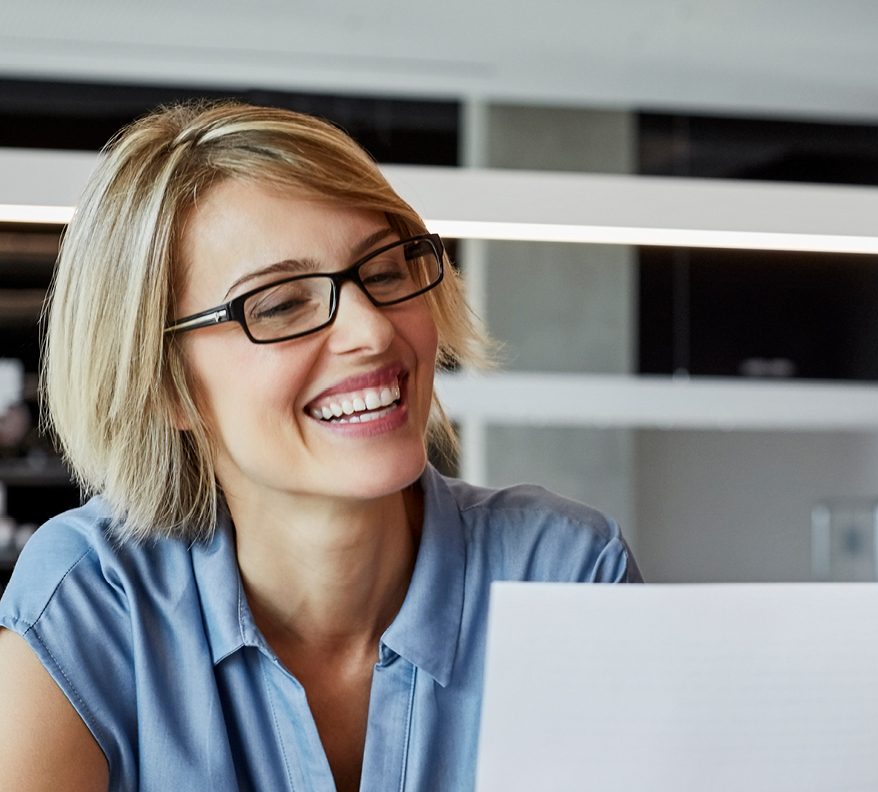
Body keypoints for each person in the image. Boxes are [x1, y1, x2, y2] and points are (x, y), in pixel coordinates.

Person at [0, 101, 640, 792]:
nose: (372, 330)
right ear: (167, 387)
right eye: (279, 304)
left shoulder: (565, 573)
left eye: (387, 271)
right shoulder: (92, 598)